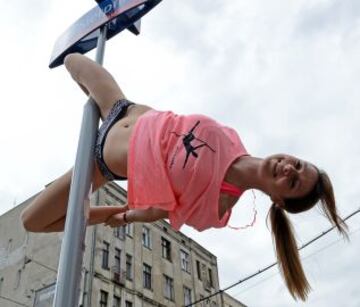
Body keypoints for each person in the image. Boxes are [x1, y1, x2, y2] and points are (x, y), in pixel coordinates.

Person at [20, 53, 348, 301]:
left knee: (33, 220)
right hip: (121, 109)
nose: (290, 169)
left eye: (292, 182)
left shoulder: (217, 208)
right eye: (299, 165)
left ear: (279, 199)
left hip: (102, 164)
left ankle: (88, 213)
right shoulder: (233, 137)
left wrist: (120, 216)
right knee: (73, 60)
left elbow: (160, 210)